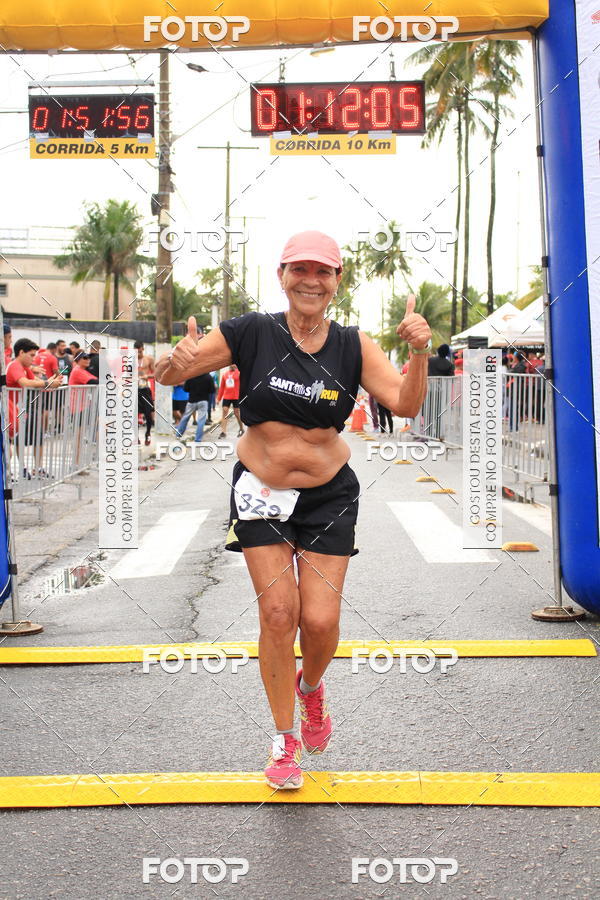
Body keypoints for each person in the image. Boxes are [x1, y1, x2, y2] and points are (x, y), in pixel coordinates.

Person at [155, 230, 431, 790]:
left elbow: (405, 403)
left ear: (337, 282)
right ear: (281, 275)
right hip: (260, 490)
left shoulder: (355, 345)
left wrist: (420, 353)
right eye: (300, 269)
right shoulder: (251, 331)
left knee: (321, 621)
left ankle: (310, 689)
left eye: (323, 271)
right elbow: (172, 374)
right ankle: (283, 741)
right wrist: (173, 362)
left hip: (328, 494)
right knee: (279, 615)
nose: (311, 280)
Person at [7, 338, 62, 476]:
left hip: (14, 411)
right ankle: (8, 475)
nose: (34, 359)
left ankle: (10, 474)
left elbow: (38, 381)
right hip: (7, 411)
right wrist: (47, 384)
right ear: (21, 352)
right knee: (8, 449)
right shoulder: (15, 366)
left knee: (9, 448)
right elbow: (25, 383)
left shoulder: (24, 367)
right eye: (31, 355)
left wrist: (50, 382)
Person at [69, 351, 99, 466]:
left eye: (88, 358)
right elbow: (94, 381)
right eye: (85, 358)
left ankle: (78, 464)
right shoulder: (77, 371)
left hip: (83, 406)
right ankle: (75, 464)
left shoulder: (82, 370)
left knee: (81, 436)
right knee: (78, 436)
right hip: (77, 408)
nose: (88, 360)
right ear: (78, 360)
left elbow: (96, 379)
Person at [176, 365, 215, 444]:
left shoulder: (191, 376)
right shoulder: (208, 377)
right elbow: (212, 390)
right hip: (203, 401)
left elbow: (185, 389)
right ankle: (198, 439)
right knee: (201, 420)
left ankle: (178, 434)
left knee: (185, 417)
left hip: (192, 401)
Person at [134, 340, 155, 446]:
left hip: (145, 389)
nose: (138, 354)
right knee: (134, 414)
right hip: (133, 389)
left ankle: (148, 433)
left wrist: (148, 376)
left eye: (139, 352)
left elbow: (156, 373)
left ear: (143, 348)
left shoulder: (149, 359)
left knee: (148, 413)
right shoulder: (130, 359)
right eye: (136, 352)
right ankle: (136, 437)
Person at [217, 364, 244, 438]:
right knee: (224, 412)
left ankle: (241, 428)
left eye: (234, 364)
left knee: (237, 414)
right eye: (231, 365)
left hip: (236, 396)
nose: (232, 366)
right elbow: (222, 387)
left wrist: (236, 370)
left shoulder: (238, 373)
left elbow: (240, 380)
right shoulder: (225, 374)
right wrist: (218, 398)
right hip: (227, 396)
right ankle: (223, 432)